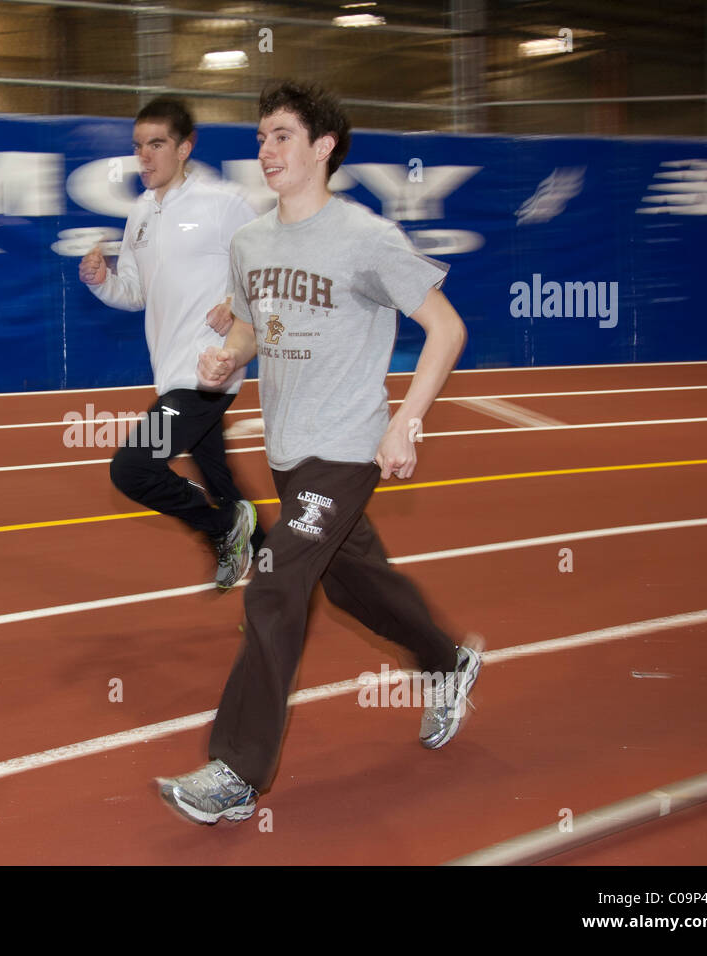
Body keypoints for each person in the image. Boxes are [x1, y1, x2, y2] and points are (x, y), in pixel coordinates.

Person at [156, 81, 482, 824]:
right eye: (262, 137)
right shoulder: (251, 243)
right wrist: (224, 360)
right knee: (351, 584)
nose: (264, 150)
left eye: (280, 136)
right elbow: (250, 329)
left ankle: (235, 773)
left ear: (323, 147)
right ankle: (446, 661)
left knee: (274, 585)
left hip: (346, 448)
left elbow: (447, 327)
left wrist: (406, 422)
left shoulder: (364, 238)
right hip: (289, 452)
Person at [80, 97, 264, 589]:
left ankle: (224, 528)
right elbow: (136, 293)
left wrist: (235, 300)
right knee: (223, 485)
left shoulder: (223, 203)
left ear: (184, 147)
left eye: (156, 144)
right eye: (138, 146)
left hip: (209, 371)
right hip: (172, 372)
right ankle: (277, 571)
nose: (145, 156)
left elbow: (266, 269)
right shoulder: (139, 212)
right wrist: (102, 281)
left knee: (133, 468)